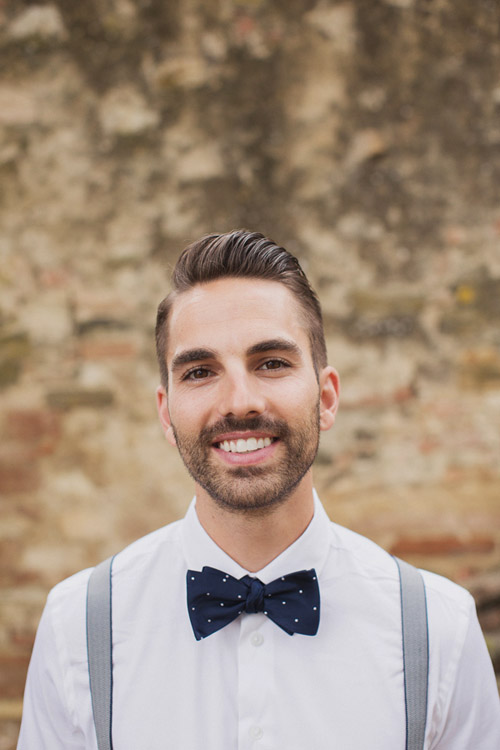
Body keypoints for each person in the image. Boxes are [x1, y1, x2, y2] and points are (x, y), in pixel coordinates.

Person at [18, 230, 500, 749]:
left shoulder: (439, 629)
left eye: (271, 363)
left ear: (327, 397)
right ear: (165, 411)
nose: (240, 401)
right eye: (200, 371)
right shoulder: (77, 629)